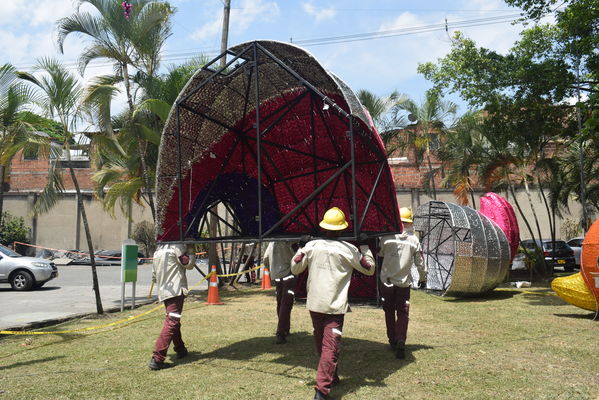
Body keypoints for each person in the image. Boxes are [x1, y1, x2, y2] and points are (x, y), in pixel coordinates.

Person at [291, 207, 375, 400]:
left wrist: (301, 247)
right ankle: (321, 390)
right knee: (330, 347)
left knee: (322, 343)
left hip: (315, 304)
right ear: (342, 229)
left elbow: (295, 268)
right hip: (334, 307)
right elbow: (369, 269)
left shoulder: (311, 247)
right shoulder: (349, 250)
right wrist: (364, 248)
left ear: (323, 227)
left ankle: (331, 376)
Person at [378, 207, 426, 359]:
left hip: (386, 282)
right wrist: (423, 278)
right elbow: (420, 263)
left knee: (389, 312)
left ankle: (392, 340)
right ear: (409, 223)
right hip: (404, 283)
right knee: (403, 313)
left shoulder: (386, 238)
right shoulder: (414, 241)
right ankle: (401, 339)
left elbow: (380, 255)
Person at [149, 243, 196, 370]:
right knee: (172, 322)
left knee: (174, 320)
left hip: (164, 290)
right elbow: (188, 264)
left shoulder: (158, 249)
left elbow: (154, 273)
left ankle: (180, 349)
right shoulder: (177, 247)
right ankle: (157, 359)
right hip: (175, 291)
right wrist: (191, 250)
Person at [263, 240, 296, 344]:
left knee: (280, 302)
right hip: (288, 274)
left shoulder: (272, 243)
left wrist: (272, 270)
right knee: (286, 304)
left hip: (276, 275)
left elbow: (265, 259)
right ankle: (281, 332)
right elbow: (293, 258)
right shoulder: (286, 243)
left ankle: (285, 328)